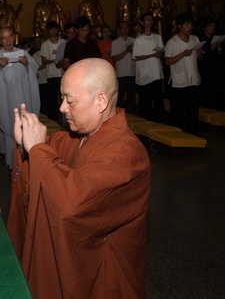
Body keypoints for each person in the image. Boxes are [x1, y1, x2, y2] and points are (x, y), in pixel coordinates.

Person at [8, 58, 151, 299]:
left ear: (101, 101)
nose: (62, 108)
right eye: (62, 99)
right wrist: (25, 145)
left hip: (106, 274)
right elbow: (47, 147)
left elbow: (74, 202)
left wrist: (37, 150)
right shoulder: (79, 137)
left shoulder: (125, 154)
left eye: (70, 100)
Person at [0, 27, 40, 168]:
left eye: (10, 37)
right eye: (4, 38)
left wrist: (27, 64)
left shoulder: (23, 53)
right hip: (6, 100)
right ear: (0, 40)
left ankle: (30, 161)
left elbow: (34, 70)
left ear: (14, 37)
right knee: (10, 128)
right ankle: (12, 164)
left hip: (24, 97)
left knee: (26, 127)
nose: (8, 40)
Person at [164, 13, 202, 135]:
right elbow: (168, 61)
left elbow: (200, 57)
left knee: (193, 111)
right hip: (179, 83)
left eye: (191, 24)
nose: (189, 27)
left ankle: (193, 134)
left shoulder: (195, 39)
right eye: (186, 24)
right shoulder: (172, 42)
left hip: (193, 80)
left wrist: (201, 52)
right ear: (179, 26)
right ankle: (178, 136)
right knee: (178, 112)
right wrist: (183, 54)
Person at [132, 13, 165, 122]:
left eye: (151, 20)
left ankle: (160, 125)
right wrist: (152, 55)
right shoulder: (139, 40)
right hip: (145, 76)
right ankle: (145, 128)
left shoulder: (158, 37)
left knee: (158, 102)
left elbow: (161, 51)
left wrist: (159, 54)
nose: (149, 22)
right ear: (142, 22)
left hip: (157, 73)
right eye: (147, 20)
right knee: (145, 104)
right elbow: (136, 57)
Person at [196, 16, 225, 110]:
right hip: (206, 69)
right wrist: (211, 47)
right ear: (204, 27)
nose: (213, 28)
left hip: (217, 67)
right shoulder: (200, 38)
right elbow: (200, 53)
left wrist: (219, 47)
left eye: (214, 25)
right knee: (207, 89)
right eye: (210, 26)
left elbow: (222, 53)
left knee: (218, 88)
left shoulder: (216, 37)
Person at [40, 21, 65, 121]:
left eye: (55, 28)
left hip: (63, 74)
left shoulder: (63, 42)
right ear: (48, 31)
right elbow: (43, 61)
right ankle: (55, 120)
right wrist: (55, 60)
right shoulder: (45, 44)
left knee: (64, 98)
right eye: (51, 29)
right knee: (52, 100)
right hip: (51, 75)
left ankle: (65, 120)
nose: (53, 31)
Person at [111, 21, 136, 112]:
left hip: (132, 72)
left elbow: (137, 56)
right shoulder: (116, 43)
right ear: (119, 30)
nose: (124, 30)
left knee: (131, 96)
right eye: (122, 27)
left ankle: (132, 114)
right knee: (120, 96)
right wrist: (126, 51)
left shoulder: (134, 40)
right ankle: (119, 115)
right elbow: (115, 58)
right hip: (121, 73)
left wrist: (132, 51)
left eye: (126, 27)